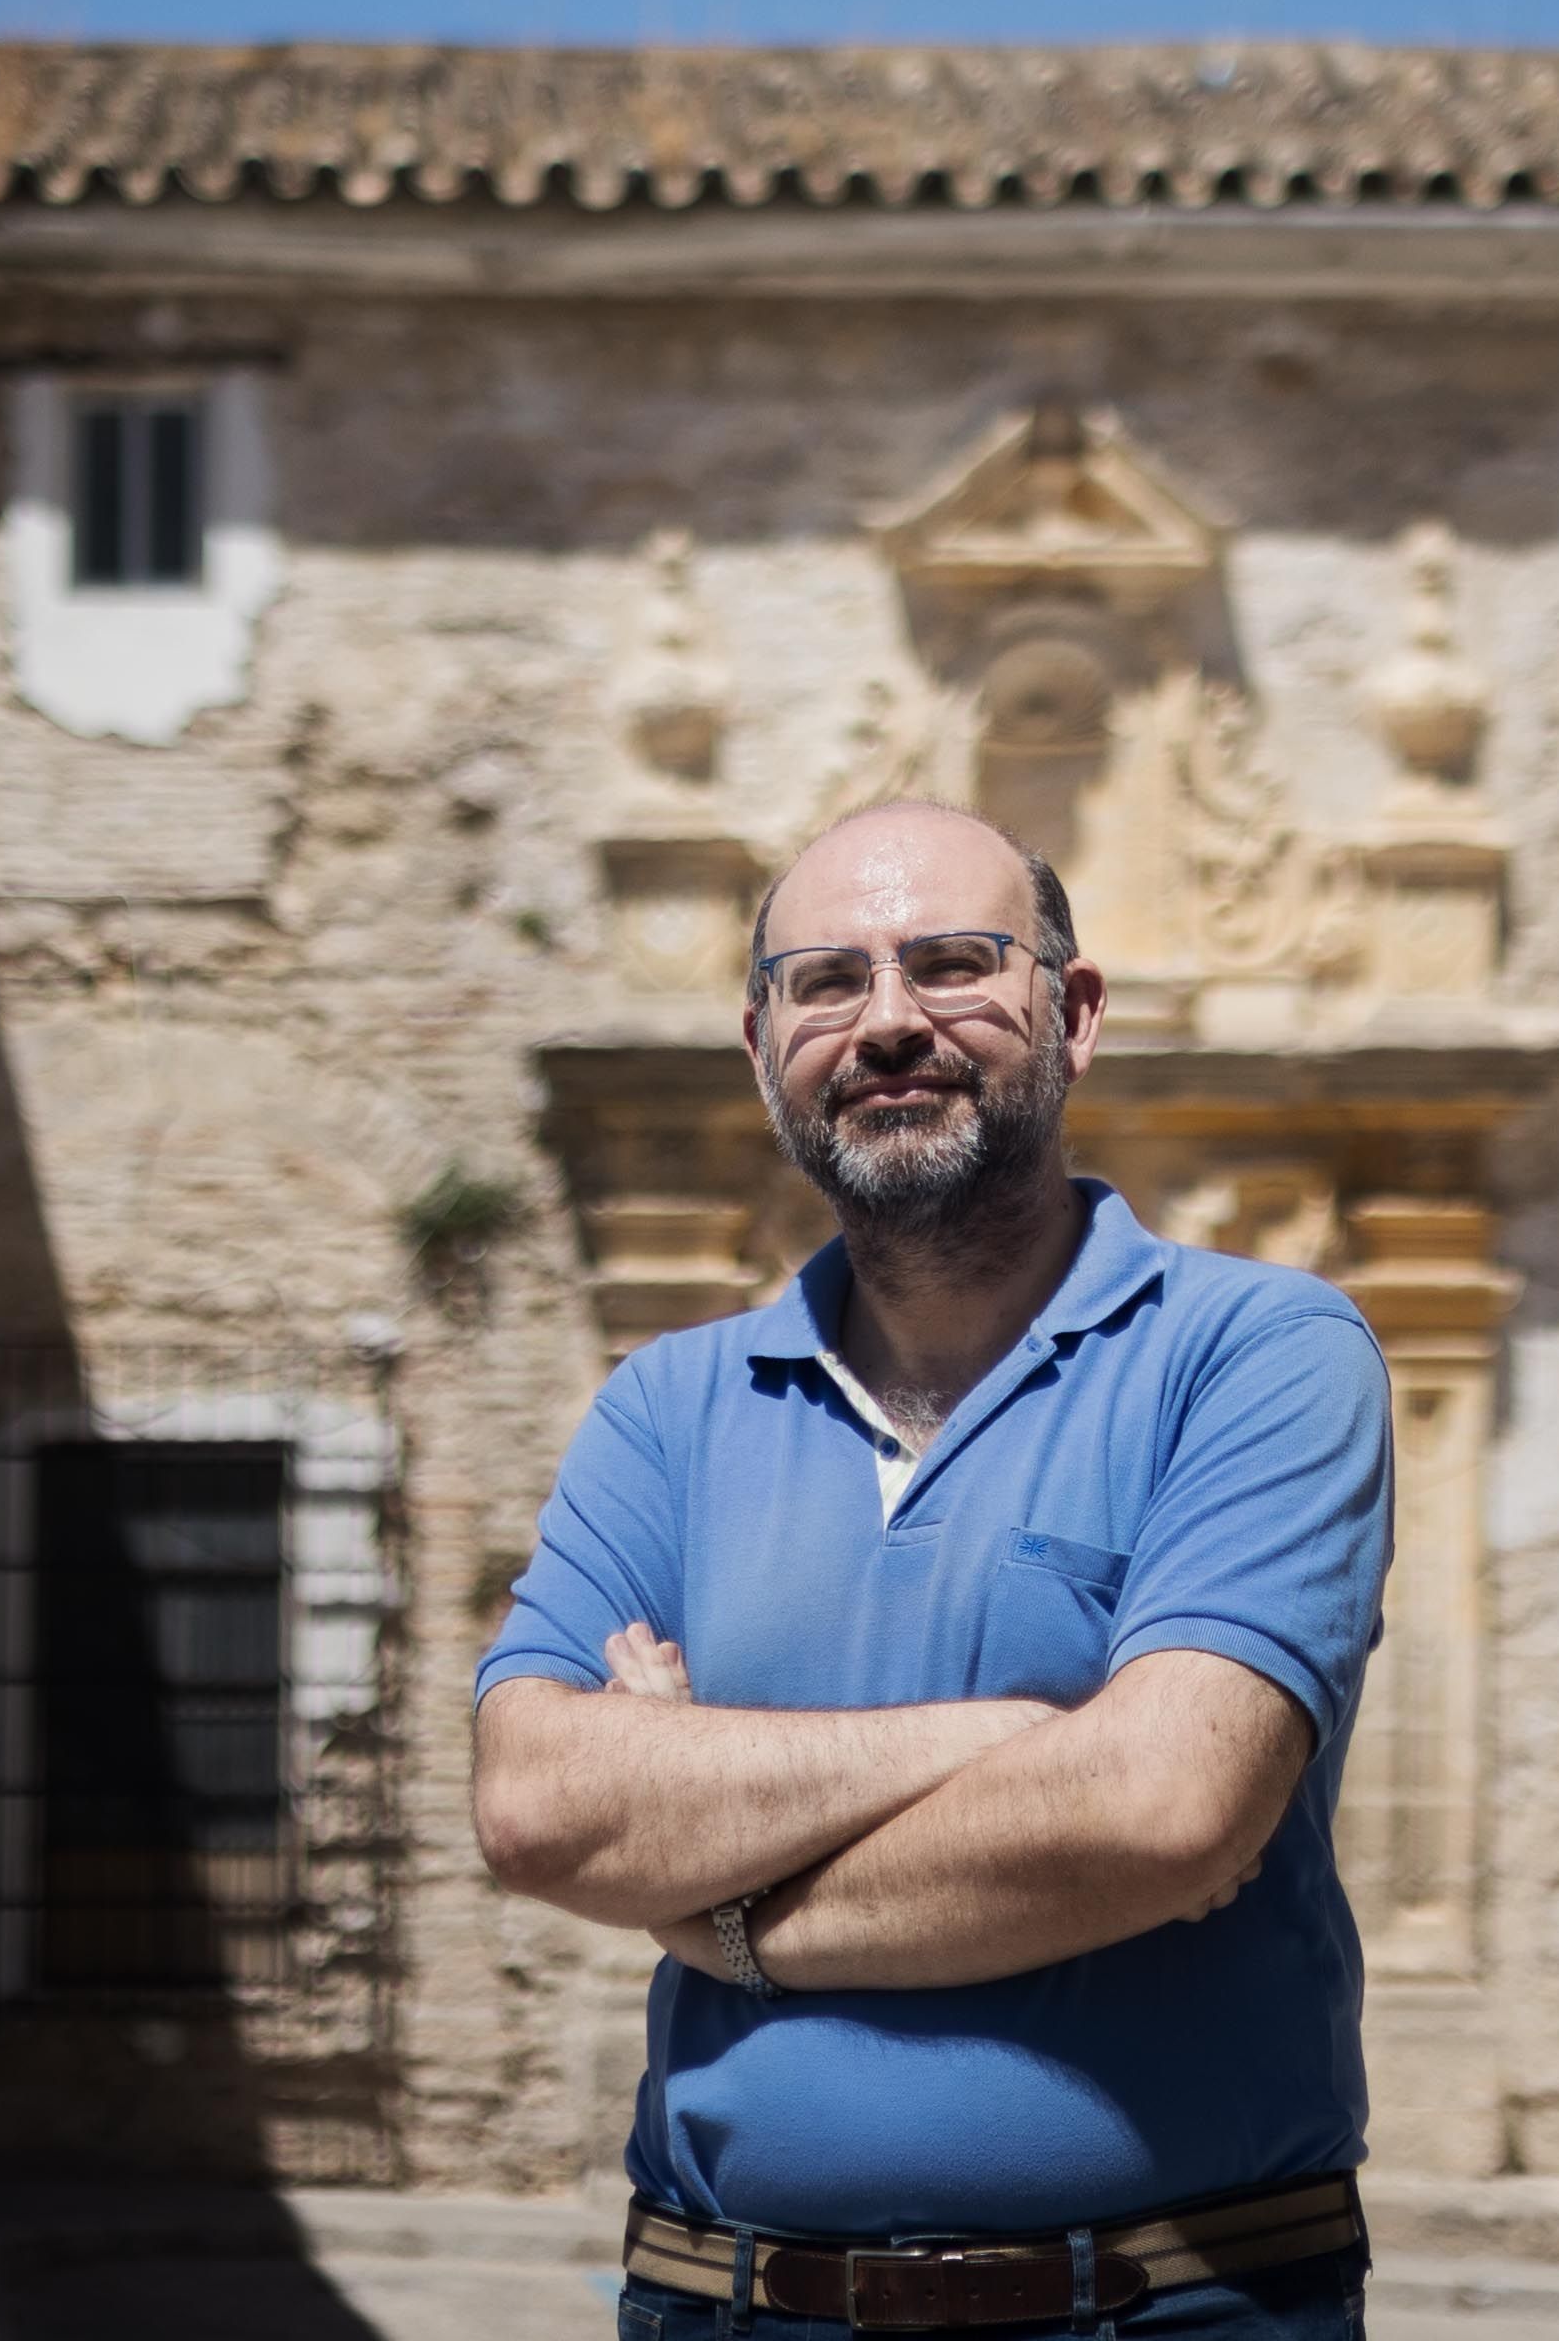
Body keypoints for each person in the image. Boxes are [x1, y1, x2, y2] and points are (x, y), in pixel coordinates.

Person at [474, 797, 1396, 2337]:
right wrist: (1014, 1741)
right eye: (826, 982)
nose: (890, 1021)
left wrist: (716, 1903)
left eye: (954, 964)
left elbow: (1161, 1811)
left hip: (1168, 2306)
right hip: (728, 2306)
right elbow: (534, 1805)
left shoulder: (1258, 1353)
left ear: (1074, 1011)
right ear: (762, 1042)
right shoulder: (668, 1407)